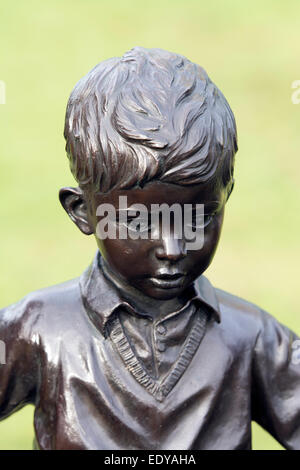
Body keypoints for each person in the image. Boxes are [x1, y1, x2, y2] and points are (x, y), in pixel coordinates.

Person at [0, 47, 299, 450]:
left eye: (197, 219)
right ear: (81, 212)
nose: (173, 248)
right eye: (138, 222)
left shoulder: (252, 338)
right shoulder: (38, 330)